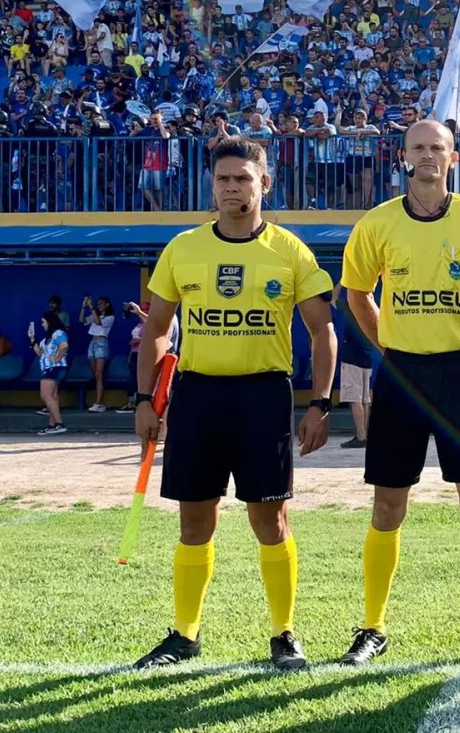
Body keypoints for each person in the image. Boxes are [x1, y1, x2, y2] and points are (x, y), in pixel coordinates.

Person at [133, 137, 337, 671]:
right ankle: (184, 634)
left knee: (270, 518)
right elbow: (156, 326)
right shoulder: (184, 248)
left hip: (262, 395)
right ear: (212, 185)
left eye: (242, 179)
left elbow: (323, 332)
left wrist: (320, 403)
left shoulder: (291, 251)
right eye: (222, 179)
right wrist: (145, 399)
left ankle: (284, 634)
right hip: (197, 394)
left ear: (263, 184)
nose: (231, 187)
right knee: (194, 519)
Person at [339, 119, 460, 666]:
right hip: (402, 376)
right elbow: (356, 293)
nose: (428, 155)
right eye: (419, 147)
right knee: (388, 501)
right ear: (404, 157)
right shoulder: (378, 224)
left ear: (453, 158)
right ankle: (372, 626)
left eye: (438, 147)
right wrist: (388, 346)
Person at [331, 282, 380, 449]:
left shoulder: (350, 308)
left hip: (352, 358)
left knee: (354, 398)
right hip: (366, 358)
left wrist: (343, 281)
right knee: (365, 398)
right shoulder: (372, 312)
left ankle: (360, 436)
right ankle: (364, 434)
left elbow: (332, 298)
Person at [31, 311, 69, 436]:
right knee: (53, 396)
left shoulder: (58, 333)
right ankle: (52, 425)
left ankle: (59, 423)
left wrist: (57, 358)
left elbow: (64, 346)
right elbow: (40, 353)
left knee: (45, 395)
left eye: (43, 322)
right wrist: (32, 340)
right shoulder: (47, 338)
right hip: (48, 368)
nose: (42, 324)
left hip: (54, 368)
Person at [80, 295, 115, 412]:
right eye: (98, 303)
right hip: (92, 343)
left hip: (101, 343)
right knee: (95, 374)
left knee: (99, 375)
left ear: (107, 305)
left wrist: (91, 307)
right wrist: (84, 307)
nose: (99, 305)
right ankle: (100, 401)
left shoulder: (110, 317)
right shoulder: (95, 314)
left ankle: (99, 402)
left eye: (101, 303)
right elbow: (82, 320)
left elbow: (98, 322)